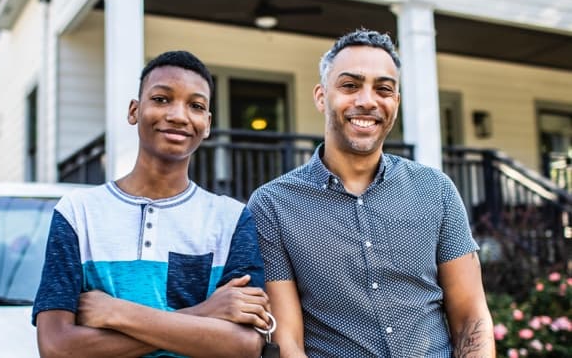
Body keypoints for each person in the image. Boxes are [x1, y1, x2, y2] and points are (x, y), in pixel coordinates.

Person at [248, 29, 495, 357]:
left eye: (383, 89)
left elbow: (471, 319)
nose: (367, 101)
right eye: (350, 86)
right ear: (322, 97)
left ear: (396, 102)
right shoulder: (273, 206)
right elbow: (287, 343)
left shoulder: (436, 191)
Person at [33, 50, 270, 358]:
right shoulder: (78, 213)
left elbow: (245, 346)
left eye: (195, 106)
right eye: (161, 99)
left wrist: (116, 313)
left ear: (207, 124)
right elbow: (56, 348)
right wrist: (205, 313)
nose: (178, 115)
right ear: (134, 110)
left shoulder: (232, 218)